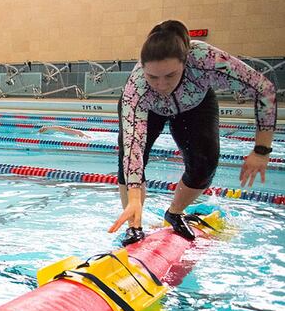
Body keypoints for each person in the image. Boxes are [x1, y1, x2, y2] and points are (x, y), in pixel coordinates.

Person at [107, 20, 276, 246]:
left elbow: (263, 88)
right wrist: (135, 198)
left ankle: (174, 212)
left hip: (195, 103)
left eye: (170, 75)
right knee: (127, 162)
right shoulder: (136, 90)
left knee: (204, 163)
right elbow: (132, 149)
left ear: (186, 62)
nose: (161, 85)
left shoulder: (207, 61)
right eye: (153, 77)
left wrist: (261, 150)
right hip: (150, 109)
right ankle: (134, 225)